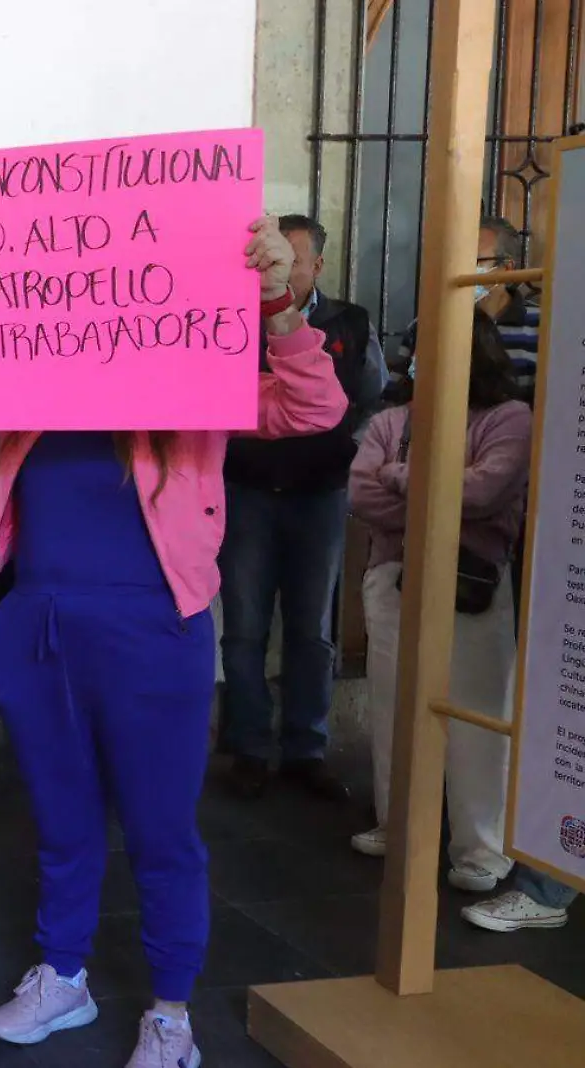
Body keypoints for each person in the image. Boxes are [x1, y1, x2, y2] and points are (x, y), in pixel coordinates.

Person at [0, 218, 346, 1067]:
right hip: (41, 628)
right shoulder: (25, 391)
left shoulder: (191, 388)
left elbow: (314, 405)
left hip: (152, 630)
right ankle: (64, 975)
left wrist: (279, 306)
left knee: (163, 831)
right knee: (60, 820)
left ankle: (171, 1013)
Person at [348, 313, 530, 897]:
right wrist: (437, 492)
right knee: (394, 707)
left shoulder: (510, 418)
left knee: (478, 715)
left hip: (471, 582)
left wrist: (402, 477)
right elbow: (361, 493)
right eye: (418, 348)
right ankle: (399, 826)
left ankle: (482, 850)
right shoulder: (391, 419)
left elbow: (485, 490)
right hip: (393, 577)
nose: (418, 359)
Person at [218, 215, 385, 800]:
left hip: (319, 493)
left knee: (312, 629)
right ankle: (247, 747)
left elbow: (370, 405)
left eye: (292, 259)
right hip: (247, 489)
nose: (279, 268)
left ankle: (305, 748)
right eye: (270, 256)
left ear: (316, 265)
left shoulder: (350, 324)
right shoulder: (227, 316)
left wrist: (353, 461)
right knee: (242, 627)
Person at [388, 217, 539, 405]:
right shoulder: (427, 324)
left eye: (473, 261)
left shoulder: (542, 327)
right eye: (455, 261)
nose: (460, 271)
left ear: (506, 269)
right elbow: (393, 399)